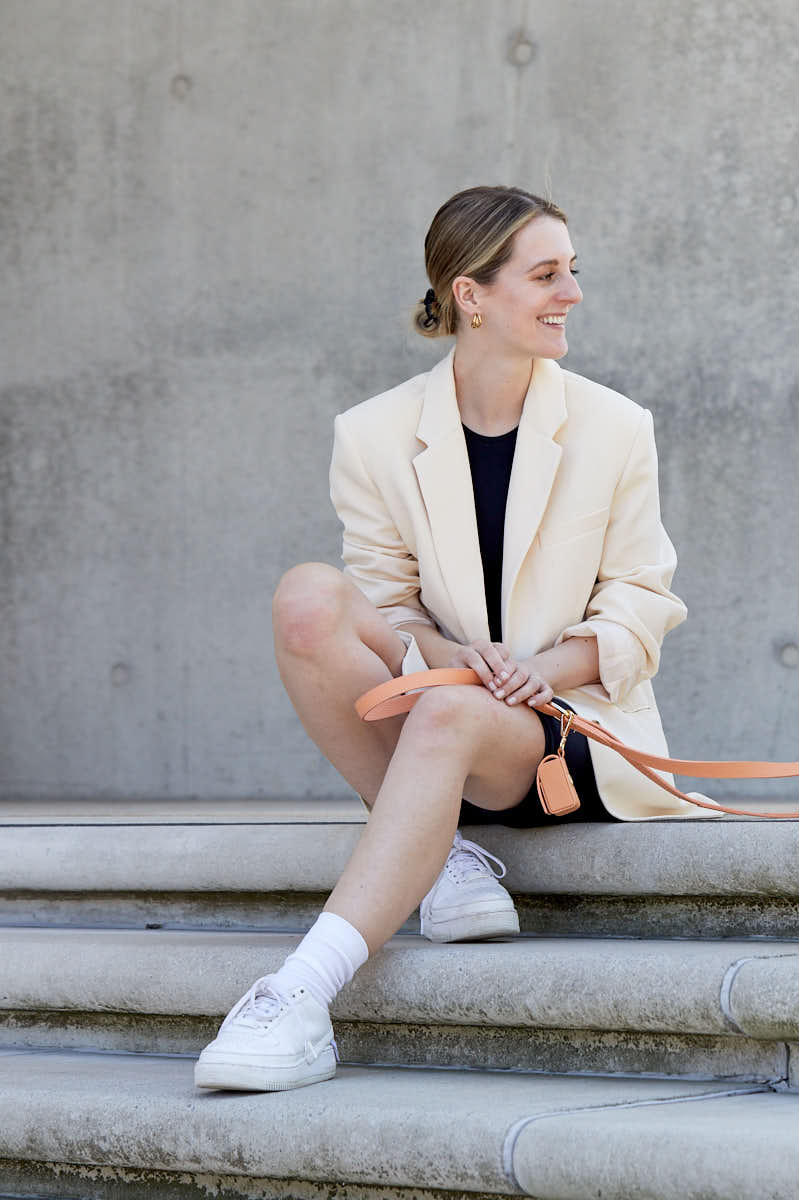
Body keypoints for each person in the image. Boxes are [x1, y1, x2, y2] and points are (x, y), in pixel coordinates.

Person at [194, 185, 710, 1093]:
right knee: (309, 600)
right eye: (547, 275)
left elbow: (640, 602)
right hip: (449, 705)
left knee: (447, 720)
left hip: (567, 730)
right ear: (471, 296)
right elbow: (390, 614)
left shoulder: (616, 426)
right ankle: (452, 855)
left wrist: (530, 672)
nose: (572, 294)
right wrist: (456, 660)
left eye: (573, 272)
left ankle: (299, 993)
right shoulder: (373, 436)